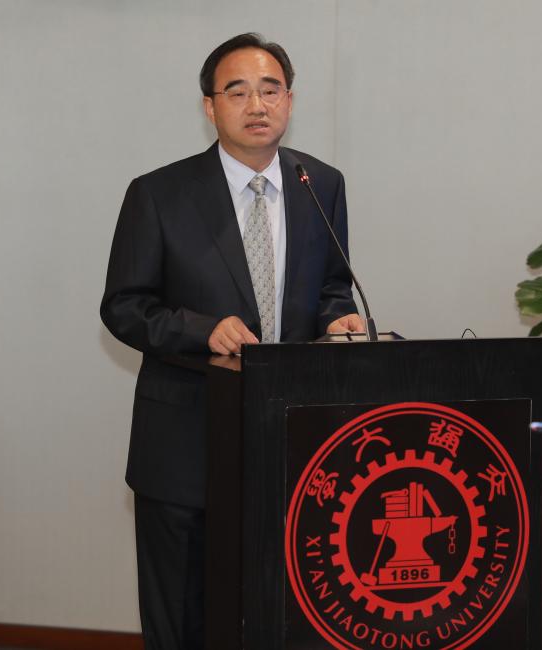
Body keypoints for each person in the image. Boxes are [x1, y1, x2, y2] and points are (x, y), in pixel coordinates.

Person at [100, 33, 364, 650]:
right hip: (185, 446)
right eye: (237, 91)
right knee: (184, 621)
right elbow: (125, 307)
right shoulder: (158, 194)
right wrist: (202, 330)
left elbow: (331, 284)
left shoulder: (319, 183)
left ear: (290, 100)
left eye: (270, 90)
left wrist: (339, 320)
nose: (257, 105)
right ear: (210, 106)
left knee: (280, 616)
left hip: (290, 446)